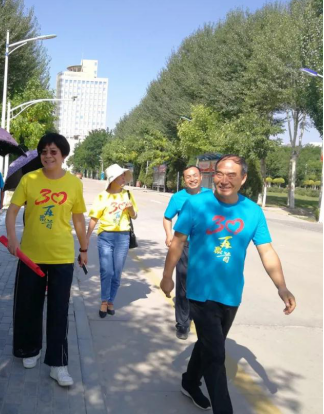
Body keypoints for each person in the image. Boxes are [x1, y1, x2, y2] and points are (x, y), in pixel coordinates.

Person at [161, 155, 297, 413]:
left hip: (231, 293)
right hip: (200, 292)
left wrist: (282, 287)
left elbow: (267, 251)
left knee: (208, 343)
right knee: (216, 356)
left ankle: (189, 382)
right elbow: (177, 242)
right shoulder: (195, 204)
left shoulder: (253, 212)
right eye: (220, 174)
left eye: (231, 175)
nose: (224, 180)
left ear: (243, 179)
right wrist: (167, 276)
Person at [6, 133, 88, 388]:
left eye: (54, 151)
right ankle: (29, 349)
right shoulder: (29, 179)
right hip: (30, 256)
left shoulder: (73, 183)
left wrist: (84, 247)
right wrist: (12, 239)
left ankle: (58, 364)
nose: (48, 156)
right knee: (28, 306)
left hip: (61, 256)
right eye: (44, 151)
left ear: (63, 155)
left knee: (59, 310)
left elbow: (78, 218)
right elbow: (12, 211)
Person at [163, 165, 211, 340]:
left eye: (195, 175)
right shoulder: (178, 197)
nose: (192, 179)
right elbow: (167, 217)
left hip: (206, 247)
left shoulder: (211, 196)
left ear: (201, 176)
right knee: (184, 285)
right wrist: (169, 235)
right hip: (185, 245)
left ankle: (202, 317)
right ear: (184, 180)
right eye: (188, 177)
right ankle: (183, 323)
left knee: (204, 284)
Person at [87, 164, 137, 318]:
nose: (123, 179)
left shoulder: (127, 194)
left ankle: (111, 300)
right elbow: (94, 218)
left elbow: (134, 215)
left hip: (123, 237)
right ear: (112, 179)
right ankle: (104, 300)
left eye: (124, 176)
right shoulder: (102, 196)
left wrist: (130, 209)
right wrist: (86, 238)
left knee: (117, 272)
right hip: (105, 236)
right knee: (106, 270)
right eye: (120, 176)